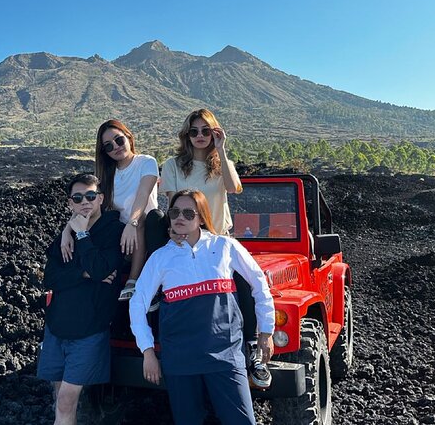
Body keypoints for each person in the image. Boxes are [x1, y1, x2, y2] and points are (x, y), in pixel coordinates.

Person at [130, 190, 275, 425]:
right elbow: (137, 304)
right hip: (180, 360)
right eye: (175, 212)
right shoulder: (160, 257)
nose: (180, 217)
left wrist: (266, 332)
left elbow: (259, 284)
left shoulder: (225, 246)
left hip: (226, 356)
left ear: (201, 217)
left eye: (189, 213)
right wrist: (147, 351)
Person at [145, 108, 267, 387]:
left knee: (244, 284)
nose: (200, 136)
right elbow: (175, 205)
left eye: (206, 131)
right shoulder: (173, 165)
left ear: (215, 133)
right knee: (153, 223)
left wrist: (222, 151)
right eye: (194, 131)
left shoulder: (222, 163)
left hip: (218, 237)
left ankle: (251, 350)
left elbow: (234, 188)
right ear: (186, 135)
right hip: (184, 236)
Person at [37, 174, 124, 425]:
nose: (85, 202)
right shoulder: (65, 236)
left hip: (89, 329)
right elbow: (50, 278)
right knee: (59, 397)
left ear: (101, 199)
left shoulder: (114, 231)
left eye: (90, 196)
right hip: (57, 327)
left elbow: (100, 269)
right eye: (78, 197)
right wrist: (84, 273)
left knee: (65, 399)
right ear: (70, 204)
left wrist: (83, 238)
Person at [60, 119, 158, 304]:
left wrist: (132, 222)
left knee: (142, 217)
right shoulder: (107, 174)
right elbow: (88, 204)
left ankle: (133, 280)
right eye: (108, 146)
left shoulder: (146, 162)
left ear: (128, 137)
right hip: (116, 235)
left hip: (143, 232)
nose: (116, 147)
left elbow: (143, 195)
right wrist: (67, 231)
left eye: (119, 140)